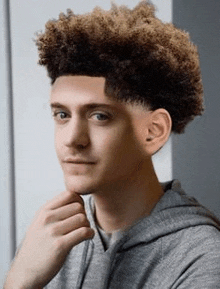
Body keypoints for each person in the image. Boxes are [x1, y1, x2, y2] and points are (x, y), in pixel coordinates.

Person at [4, 1, 220, 288]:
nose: (72, 139)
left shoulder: (202, 257)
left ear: (153, 132)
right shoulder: (46, 239)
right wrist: (19, 280)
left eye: (99, 116)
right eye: (62, 115)